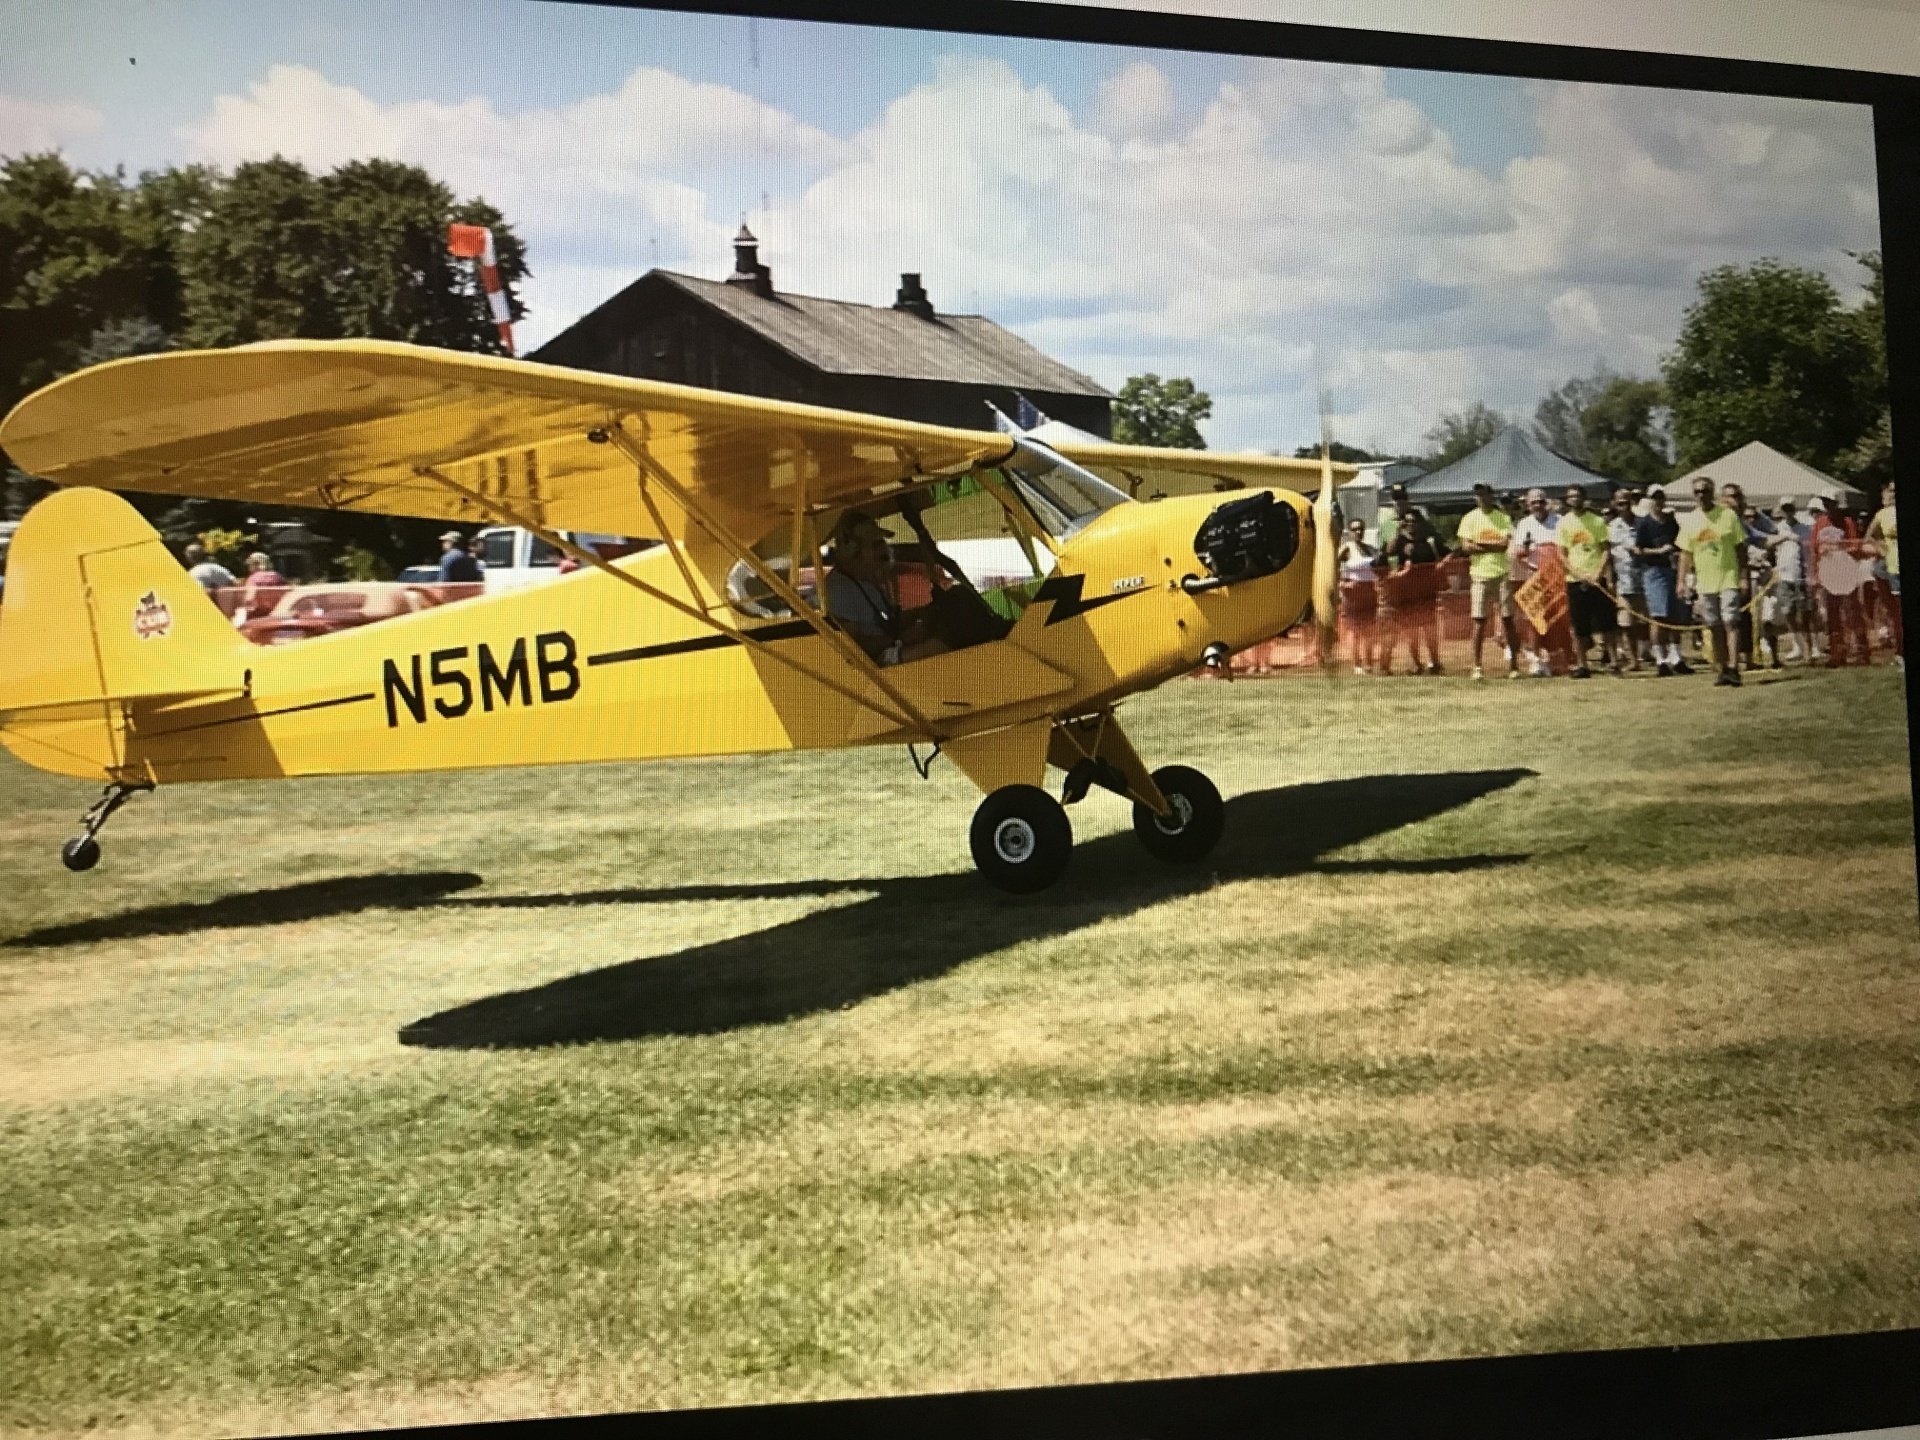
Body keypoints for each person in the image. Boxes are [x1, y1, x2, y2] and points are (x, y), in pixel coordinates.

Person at [823, 511, 946, 666]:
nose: (884, 550)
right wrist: (900, 639)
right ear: (853, 552)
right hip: (872, 665)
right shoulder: (838, 589)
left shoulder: (869, 580)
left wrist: (927, 611)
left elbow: (891, 622)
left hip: (888, 650)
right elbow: (855, 646)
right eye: (876, 544)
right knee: (936, 648)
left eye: (882, 542)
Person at [1675, 476, 1747, 686]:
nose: (1701, 495)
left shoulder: (1727, 516)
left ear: (1712, 492)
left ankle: (1734, 667)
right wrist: (1681, 581)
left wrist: (1743, 577)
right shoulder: (1690, 520)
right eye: (1697, 492)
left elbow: (1740, 549)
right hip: (1705, 582)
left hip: (1728, 577)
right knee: (1714, 625)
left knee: (1730, 622)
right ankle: (1722, 667)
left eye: (1705, 491)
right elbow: (1685, 554)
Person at [1455, 481, 1518, 680]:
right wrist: (1491, 545)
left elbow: (1504, 545)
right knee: (1479, 621)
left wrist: (1479, 543)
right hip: (1480, 574)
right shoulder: (1469, 518)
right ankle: (1477, 666)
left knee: (1508, 620)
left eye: (1485, 494)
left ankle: (1514, 666)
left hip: (1502, 574)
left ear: (1492, 496)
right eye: (1478, 495)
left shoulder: (1503, 518)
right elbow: (1466, 547)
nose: (1481, 498)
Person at [1555, 485, 1614, 678]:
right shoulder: (1564, 523)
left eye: (1578, 496)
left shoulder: (1597, 521)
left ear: (1584, 498)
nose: (1574, 499)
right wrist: (1578, 574)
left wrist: (1599, 572)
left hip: (1597, 580)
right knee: (1580, 626)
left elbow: (1605, 549)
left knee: (1607, 623)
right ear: (1567, 500)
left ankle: (1614, 662)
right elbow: (1562, 554)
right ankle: (1583, 665)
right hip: (1575, 581)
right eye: (1571, 497)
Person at [1378, 505, 1443, 675]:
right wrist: (1397, 532)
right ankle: (1416, 664)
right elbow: (1389, 551)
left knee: (1430, 630)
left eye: (1413, 521)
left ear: (1419, 523)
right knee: (1412, 631)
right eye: (1407, 522)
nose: (1411, 524)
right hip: (1406, 594)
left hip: (1427, 593)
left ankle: (1435, 662)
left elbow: (1446, 553)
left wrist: (1441, 565)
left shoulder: (1428, 541)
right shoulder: (1400, 541)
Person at [1509, 487, 1565, 676]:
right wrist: (1529, 559)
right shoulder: (1524, 524)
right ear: (1528, 505)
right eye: (1534, 502)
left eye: (1541, 501)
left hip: (1558, 578)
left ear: (1546, 502)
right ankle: (1536, 660)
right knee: (1535, 620)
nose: (1538, 505)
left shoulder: (1559, 521)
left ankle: (1556, 658)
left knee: (1557, 620)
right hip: (1534, 577)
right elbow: (1518, 553)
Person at [1810, 498, 1872, 668]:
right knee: (1833, 614)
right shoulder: (1819, 524)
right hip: (1828, 573)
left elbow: (1855, 546)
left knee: (1852, 611)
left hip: (1846, 570)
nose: (1828, 507)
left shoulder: (1847, 522)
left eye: (1831, 503)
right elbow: (1814, 551)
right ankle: (1837, 653)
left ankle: (1861, 651)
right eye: (1825, 504)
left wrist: (1841, 548)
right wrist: (1815, 574)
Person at [1634, 487, 1689, 675]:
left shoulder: (1671, 522)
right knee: (1658, 616)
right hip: (1654, 571)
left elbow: (1681, 544)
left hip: (1672, 569)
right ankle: (1660, 659)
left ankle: (1676, 657)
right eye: (1654, 498)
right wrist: (1658, 551)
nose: (1658, 501)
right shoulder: (1644, 523)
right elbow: (1638, 550)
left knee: (1675, 615)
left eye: (1660, 497)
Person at [1606, 488, 1646, 670]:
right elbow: (1607, 555)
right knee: (1626, 623)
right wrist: (1610, 578)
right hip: (1623, 581)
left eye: (1627, 502)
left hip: (1645, 579)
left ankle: (1657, 656)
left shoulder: (1643, 524)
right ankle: (1633, 660)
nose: (1624, 506)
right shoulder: (1611, 527)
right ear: (1614, 504)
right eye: (1620, 503)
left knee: (1647, 622)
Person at [1337, 519, 1380, 675]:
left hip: (1369, 592)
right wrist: (1342, 585)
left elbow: (1379, 569)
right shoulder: (1347, 549)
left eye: (1360, 529)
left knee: (1369, 630)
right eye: (1354, 529)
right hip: (1352, 594)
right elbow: (1331, 568)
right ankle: (1357, 664)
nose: (1358, 532)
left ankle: (1368, 662)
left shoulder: (1370, 550)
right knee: (1354, 631)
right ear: (1349, 532)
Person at [1867, 481, 1901, 669]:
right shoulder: (1882, 514)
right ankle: (1900, 652)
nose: (1893, 494)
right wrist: (1881, 548)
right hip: (1893, 568)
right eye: (1891, 491)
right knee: (1897, 613)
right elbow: (1869, 537)